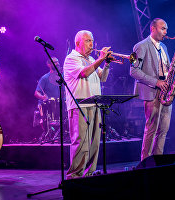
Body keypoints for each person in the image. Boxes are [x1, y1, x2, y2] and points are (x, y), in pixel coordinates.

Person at [130, 18, 175, 161]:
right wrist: (156, 82)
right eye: (163, 28)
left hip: (166, 91)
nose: (166, 32)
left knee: (163, 130)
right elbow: (134, 71)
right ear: (153, 29)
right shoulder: (140, 46)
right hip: (152, 91)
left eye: (166, 29)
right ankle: (145, 163)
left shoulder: (163, 47)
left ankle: (158, 162)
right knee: (151, 130)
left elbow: (166, 70)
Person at [64, 30, 112, 179]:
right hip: (80, 106)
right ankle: (74, 177)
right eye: (87, 41)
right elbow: (84, 73)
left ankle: (89, 174)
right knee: (81, 144)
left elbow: (102, 78)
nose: (91, 44)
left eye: (92, 40)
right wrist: (101, 59)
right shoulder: (71, 58)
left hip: (95, 104)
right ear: (78, 43)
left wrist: (107, 64)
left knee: (94, 144)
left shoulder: (91, 58)